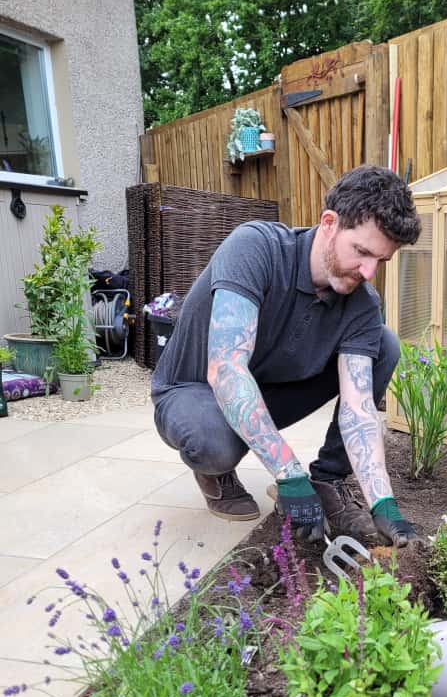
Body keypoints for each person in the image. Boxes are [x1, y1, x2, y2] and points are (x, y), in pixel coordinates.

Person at [151, 164, 421, 548]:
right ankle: (217, 472)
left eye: (381, 260)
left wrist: (383, 502)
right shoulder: (255, 248)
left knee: (384, 344)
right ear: (329, 223)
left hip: (270, 387)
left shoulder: (361, 303)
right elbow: (227, 368)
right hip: (194, 391)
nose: (369, 271)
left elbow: (359, 413)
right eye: (361, 252)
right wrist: (287, 474)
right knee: (213, 444)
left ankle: (327, 483)